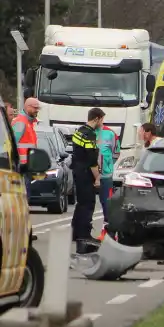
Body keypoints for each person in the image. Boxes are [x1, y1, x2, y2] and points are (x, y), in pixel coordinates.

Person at [70, 108, 105, 251]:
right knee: (88, 203)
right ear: (96, 119)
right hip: (85, 172)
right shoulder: (89, 135)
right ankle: (84, 235)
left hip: (77, 170)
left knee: (80, 203)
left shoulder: (79, 131)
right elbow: (91, 160)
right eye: (102, 120)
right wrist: (97, 177)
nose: (102, 123)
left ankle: (76, 232)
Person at [96, 124, 119, 221]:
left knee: (106, 202)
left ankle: (109, 225)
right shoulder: (87, 132)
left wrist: (107, 165)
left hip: (105, 175)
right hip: (88, 174)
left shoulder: (110, 133)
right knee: (87, 203)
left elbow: (116, 153)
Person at [11, 98, 40, 165]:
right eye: (35, 108)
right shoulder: (21, 122)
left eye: (38, 108)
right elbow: (12, 144)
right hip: (21, 166)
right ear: (28, 107)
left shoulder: (28, 122)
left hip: (27, 165)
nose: (37, 110)